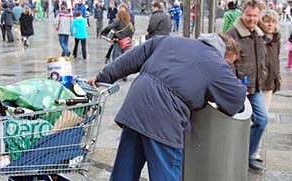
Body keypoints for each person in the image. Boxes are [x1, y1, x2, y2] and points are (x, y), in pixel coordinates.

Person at [88, 33, 246, 181]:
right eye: (229, 64)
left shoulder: (170, 40)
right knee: (165, 173)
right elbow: (237, 100)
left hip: (136, 106)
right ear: (224, 53)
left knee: (124, 171)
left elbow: (130, 59)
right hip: (165, 119)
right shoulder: (217, 64)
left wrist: (103, 76)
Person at [226, 0, 268, 171]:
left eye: (255, 16)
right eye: (248, 15)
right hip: (239, 89)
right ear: (242, 13)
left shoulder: (258, 33)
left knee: (262, 120)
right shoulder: (233, 34)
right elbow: (227, 62)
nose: (251, 19)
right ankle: (232, 157)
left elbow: (262, 58)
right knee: (234, 125)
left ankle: (247, 155)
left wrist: (263, 75)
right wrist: (235, 84)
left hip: (255, 86)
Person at [252, 9, 281, 163]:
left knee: (262, 120)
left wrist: (276, 78)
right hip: (256, 83)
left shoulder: (275, 38)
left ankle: (255, 151)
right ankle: (250, 150)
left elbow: (274, 61)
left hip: (268, 83)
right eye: (267, 20)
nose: (270, 24)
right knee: (258, 119)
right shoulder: (257, 37)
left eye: (273, 21)